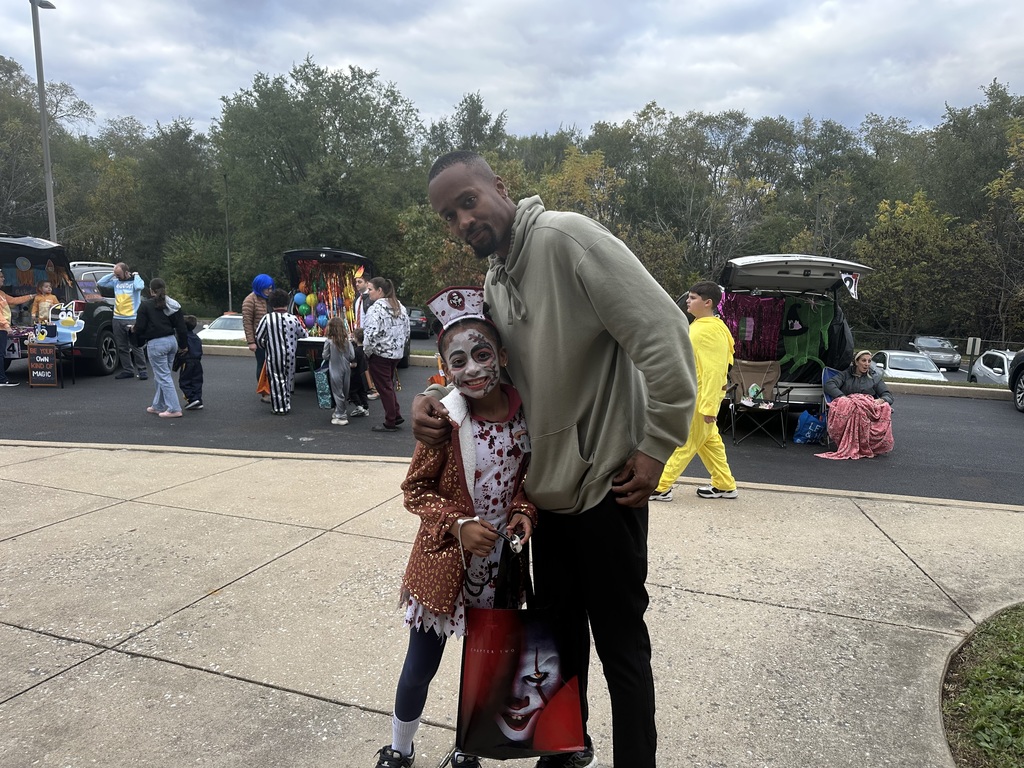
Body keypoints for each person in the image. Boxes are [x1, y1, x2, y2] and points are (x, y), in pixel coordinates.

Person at [413, 151, 696, 768]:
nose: (463, 220)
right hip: (543, 500)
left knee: (621, 645)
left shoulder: (568, 239)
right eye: (449, 215)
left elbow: (666, 336)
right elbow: (481, 369)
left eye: (468, 201)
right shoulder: (495, 282)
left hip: (605, 489)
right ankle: (566, 747)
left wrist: (655, 447)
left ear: (500, 188)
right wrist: (433, 398)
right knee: (559, 639)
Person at [374, 286, 537, 768]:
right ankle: (399, 749)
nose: (472, 369)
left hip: (498, 568)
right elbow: (416, 491)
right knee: (421, 663)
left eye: (482, 355)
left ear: (502, 357)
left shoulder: (525, 419)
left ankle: (470, 749)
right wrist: (459, 524)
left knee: (486, 665)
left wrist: (525, 512)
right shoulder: (445, 422)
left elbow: (528, 483)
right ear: (444, 369)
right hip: (443, 564)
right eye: (458, 361)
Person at [650, 281, 738, 502]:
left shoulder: (710, 331)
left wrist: (709, 406)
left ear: (708, 302)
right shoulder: (702, 326)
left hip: (700, 399)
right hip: (697, 395)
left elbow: (715, 370)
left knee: (685, 442)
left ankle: (661, 487)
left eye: (693, 298)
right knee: (710, 443)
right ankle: (725, 485)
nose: (688, 301)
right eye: (689, 297)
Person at [818, 350, 895, 460]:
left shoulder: (874, 377)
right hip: (849, 405)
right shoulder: (845, 375)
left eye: (869, 361)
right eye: (863, 361)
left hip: (868, 408)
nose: (867, 364)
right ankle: (854, 444)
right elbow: (829, 385)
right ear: (856, 362)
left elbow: (888, 395)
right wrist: (842, 397)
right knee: (852, 409)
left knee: (884, 408)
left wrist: (880, 401)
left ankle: (866, 445)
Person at [132, 278, 188, 418]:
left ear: (151, 290)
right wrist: (183, 345)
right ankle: (158, 405)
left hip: (156, 344)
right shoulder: (173, 304)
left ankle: (174, 408)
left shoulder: (145, 306)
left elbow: (140, 327)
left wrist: (133, 331)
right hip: (171, 341)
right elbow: (181, 327)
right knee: (162, 375)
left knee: (163, 377)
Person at [362, 277, 409, 433]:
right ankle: (395, 414)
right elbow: (407, 331)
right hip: (396, 353)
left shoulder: (375, 309)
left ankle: (390, 421)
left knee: (384, 388)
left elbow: (370, 334)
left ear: (380, 290)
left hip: (380, 354)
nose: (368, 293)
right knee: (388, 385)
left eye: (370, 289)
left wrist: (367, 353)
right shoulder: (399, 306)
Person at [255, 288, 307, 415]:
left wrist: (265, 345)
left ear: (272, 304)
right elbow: (303, 334)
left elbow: (259, 337)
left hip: (274, 355)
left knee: (276, 380)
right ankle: (286, 403)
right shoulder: (293, 319)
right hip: (290, 354)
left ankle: (279, 407)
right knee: (288, 379)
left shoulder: (267, 318)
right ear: (286, 303)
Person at [98, 263, 148, 380]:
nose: (117, 277)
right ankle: (128, 370)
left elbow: (140, 287)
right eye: (116, 275)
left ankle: (142, 370)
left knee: (136, 346)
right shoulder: (116, 282)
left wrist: (136, 276)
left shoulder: (134, 283)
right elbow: (100, 283)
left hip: (131, 318)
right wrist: (113, 273)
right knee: (122, 346)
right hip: (117, 318)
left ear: (126, 272)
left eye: (119, 275)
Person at [242, 274, 274, 402]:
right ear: (259, 287)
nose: (269, 291)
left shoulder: (270, 299)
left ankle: (273, 389)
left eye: (271, 288)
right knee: (262, 365)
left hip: (273, 338)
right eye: (267, 288)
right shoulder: (250, 300)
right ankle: (265, 393)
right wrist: (251, 342)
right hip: (260, 339)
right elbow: (247, 322)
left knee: (273, 365)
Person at [0, 271, 35, 387]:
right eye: (1, 277)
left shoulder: (2, 293)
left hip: (3, 328)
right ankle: (2, 379)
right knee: (0, 354)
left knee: (2, 353)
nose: (3, 279)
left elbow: (14, 301)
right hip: (1, 328)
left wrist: (30, 296)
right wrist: (6, 325)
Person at [322, 316, 354, 426]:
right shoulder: (347, 342)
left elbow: (325, 356)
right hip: (346, 368)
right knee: (344, 391)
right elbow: (352, 356)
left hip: (334, 369)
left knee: (337, 392)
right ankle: (339, 411)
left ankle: (341, 414)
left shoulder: (329, 342)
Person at [176, 314, 204, 410]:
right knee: (197, 381)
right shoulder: (196, 337)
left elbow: (181, 349)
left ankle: (191, 398)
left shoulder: (184, 337)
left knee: (184, 381)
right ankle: (198, 399)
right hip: (197, 362)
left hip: (187, 361)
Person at [348, 328, 370, 417]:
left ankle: (359, 406)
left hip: (356, 375)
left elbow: (354, 364)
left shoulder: (356, 351)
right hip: (364, 374)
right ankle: (366, 407)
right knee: (362, 391)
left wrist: (347, 364)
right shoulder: (366, 350)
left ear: (356, 338)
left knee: (352, 391)